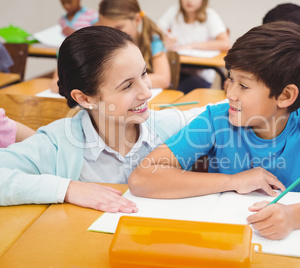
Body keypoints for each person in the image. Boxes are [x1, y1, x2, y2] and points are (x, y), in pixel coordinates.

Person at [129, 21, 300, 240]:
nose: (231, 93)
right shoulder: (216, 119)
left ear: (285, 95)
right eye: (231, 79)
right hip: (222, 238)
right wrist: (233, 181)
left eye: (244, 86)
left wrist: (292, 217)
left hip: (283, 242)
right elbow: (143, 178)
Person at [0, 26, 205, 211]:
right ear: (84, 98)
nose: (146, 93)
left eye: (143, 74)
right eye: (127, 86)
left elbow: (220, 112)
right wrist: (68, 189)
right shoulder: (57, 144)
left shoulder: (170, 126)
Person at [158, 0, 231, 93]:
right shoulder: (173, 11)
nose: (189, 1)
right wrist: (164, 41)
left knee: (175, 92)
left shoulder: (210, 15)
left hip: (201, 75)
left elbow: (225, 43)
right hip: (176, 70)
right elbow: (155, 32)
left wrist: (192, 45)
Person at [98, 0, 170, 89]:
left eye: (119, 27)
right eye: (107, 29)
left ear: (137, 19)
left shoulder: (153, 41)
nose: (113, 34)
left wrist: (125, 82)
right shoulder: (102, 46)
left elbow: (163, 80)